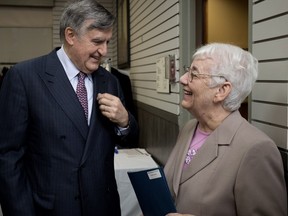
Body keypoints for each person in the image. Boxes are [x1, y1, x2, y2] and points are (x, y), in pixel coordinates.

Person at [0, 0, 138, 216]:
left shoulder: (110, 82)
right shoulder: (24, 78)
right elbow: (8, 157)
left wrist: (125, 121)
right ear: (71, 35)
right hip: (50, 208)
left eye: (108, 42)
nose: (104, 51)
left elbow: (129, 139)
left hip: (102, 207)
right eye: (97, 41)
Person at [164, 43, 287, 216]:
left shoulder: (256, 149)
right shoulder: (189, 128)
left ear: (221, 90)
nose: (183, 79)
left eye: (194, 74)